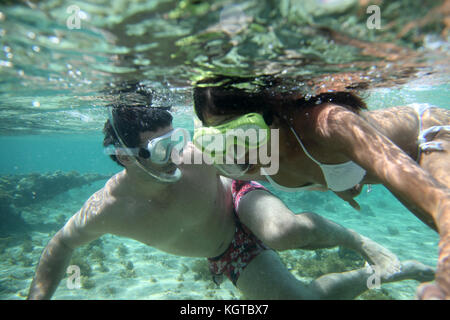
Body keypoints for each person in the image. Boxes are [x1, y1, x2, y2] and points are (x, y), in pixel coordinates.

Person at [27, 104, 432, 300]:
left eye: (178, 138)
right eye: (163, 147)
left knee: (283, 230)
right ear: (124, 156)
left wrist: (334, 177)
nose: (178, 154)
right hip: (225, 251)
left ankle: (359, 242)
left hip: (238, 200)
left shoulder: (195, 156)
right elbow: (61, 244)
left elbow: (271, 157)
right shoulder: (108, 209)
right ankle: (403, 269)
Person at [192, 76, 450, 299]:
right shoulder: (242, 159)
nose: (234, 152)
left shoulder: (328, 123)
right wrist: (339, 181)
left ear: (272, 114)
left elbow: (441, 202)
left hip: (429, 136)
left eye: (243, 131)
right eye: (217, 139)